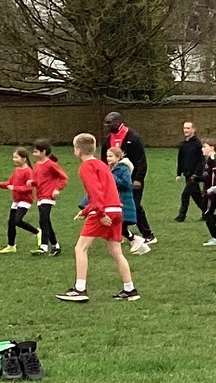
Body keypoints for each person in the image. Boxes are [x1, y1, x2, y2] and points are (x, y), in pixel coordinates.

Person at [60, 132, 138, 302]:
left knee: (80, 248)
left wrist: (100, 213)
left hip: (104, 210)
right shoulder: (102, 165)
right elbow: (107, 190)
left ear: (78, 150)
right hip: (117, 210)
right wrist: (86, 210)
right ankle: (130, 289)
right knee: (116, 251)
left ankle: (80, 289)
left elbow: (96, 192)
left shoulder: (86, 167)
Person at [103, 111, 155, 246]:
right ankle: (124, 234)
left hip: (132, 179)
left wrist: (138, 179)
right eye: (106, 123)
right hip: (115, 178)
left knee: (135, 205)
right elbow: (103, 160)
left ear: (118, 122)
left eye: (109, 123)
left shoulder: (133, 137)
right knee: (118, 206)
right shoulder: (108, 139)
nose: (107, 125)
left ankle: (148, 234)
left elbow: (141, 160)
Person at [109, 143, 151, 254]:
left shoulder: (123, 169)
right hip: (116, 201)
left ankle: (136, 240)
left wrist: (111, 176)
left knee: (118, 226)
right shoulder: (112, 169)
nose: (108, 158)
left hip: (124, 201)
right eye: (107, 156)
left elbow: (126, 184)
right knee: (117, 226)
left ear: (118, 158)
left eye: (111, 156)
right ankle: (134, 241)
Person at [0, 147, 38, 254]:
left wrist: (15, 188)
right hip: (17, 200)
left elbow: (29, 188)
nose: (14, 159)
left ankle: (37, 232)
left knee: (17, 221)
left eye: (16, 157)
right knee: (11, 223)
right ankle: (11, 246)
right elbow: (10, 183)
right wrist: (0, 184)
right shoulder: (17, 170)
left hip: (25, 200)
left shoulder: (28, 171)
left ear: (24, 158)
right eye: (13, 157)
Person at [30, 141, 66, 255]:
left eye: (36, 151)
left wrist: (57, 189)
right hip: (40, 196)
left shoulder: (51, 164)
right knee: (46, 221)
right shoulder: (37, 165)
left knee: (43, 220)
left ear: (43, 152)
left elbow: (63, 177)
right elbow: (38, 181)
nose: (34, 154)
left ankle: (44, 246)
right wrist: (32, 182)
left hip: (48, 195)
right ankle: (55, 246)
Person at [193, 139, 216, 244]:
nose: (202, 149)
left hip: (212, 193)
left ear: (212, 148)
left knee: (207, 214)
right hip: (209, 191)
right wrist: (197, 178)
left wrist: (212, 190)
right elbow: (208, 177)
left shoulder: (213, 160)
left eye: (204, 147)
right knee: (208, 213)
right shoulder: (208, 160)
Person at [174, 119, 205, 223]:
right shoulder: (182, 144)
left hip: (195, 175)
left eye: (188, 128)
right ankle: (207, 213)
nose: (186, 130)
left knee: (185, 194)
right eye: (184, 128)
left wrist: (196, 174)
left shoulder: (197, 144)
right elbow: (180, 159)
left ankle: (181, 216)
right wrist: (178, 173)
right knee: (196, 196)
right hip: (187, 174)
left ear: (193, 129)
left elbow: (201, 160)